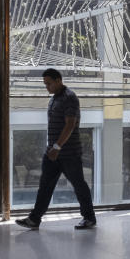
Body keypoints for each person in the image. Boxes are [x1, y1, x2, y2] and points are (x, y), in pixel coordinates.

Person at [16, 69, 97, 230]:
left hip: (68, 153)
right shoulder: (55, 99)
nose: (47, 87)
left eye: (49, 83)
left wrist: (57, 147)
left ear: (58, 80)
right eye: (45, 84)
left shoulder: (69, 98)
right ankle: (34, 219)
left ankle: (89, 218)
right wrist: (52, 148)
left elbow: (70, 124)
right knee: (45, 185)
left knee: (78, 185)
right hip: (53, 152)